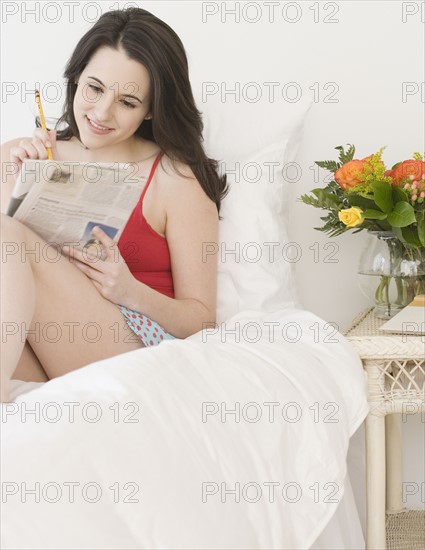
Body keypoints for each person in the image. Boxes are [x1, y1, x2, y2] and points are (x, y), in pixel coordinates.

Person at [0, 7, 228, 402]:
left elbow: (202, 320)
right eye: (94, 88)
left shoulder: (175, 179)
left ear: (151, 109)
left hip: (127, 342)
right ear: (76, 80)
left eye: (127, 101)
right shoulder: (24, 154)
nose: (101, 113)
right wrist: (15, 179)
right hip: (41, 342)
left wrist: (129, 290)